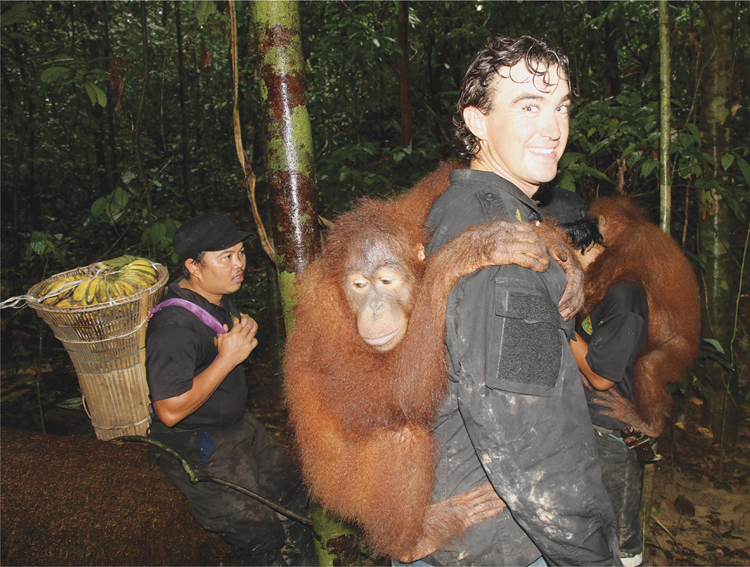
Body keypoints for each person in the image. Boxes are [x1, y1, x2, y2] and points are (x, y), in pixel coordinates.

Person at [421, 36, 621, 566]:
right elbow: (525, 428)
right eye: (528, 106)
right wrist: (588, 553)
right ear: (478, 121)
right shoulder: (495, 240)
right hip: (501, 541)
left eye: (561, 108)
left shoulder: (494, 211)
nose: (553, 129)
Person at [145, 212, 312, 566]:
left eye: (240, 253)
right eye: (226, 257)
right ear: (194, 266)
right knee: (258, 533)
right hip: (195, 441)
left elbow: (214, 345)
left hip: (238, 425)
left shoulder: (214, 297)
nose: (239, 264)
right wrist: (228, 359)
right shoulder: (173, 327)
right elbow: (170, 410)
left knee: (294, 496)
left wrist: (238, 332)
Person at [538, 187, 648, 567]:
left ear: (570, 241)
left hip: (611, 431)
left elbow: (602, 376)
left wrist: (558, 324)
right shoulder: (590, 281)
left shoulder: (621, 292)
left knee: (619, 538)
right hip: (582, 423)